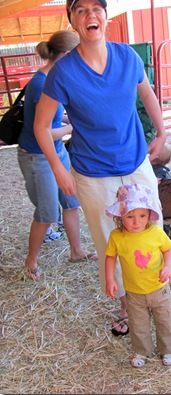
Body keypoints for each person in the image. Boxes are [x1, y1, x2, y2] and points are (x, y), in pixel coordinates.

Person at [33, 0, 171, 332]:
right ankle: (126, 304)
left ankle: (164, 292)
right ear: (74, 22)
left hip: (135, 161)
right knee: (111, 238)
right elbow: (41, 126)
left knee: (153, 229)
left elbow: (147, 95)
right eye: (80, 10)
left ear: (105, 16)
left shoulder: (127, 57)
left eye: (96, 8)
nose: (90, 15)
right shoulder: (63, 72)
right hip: (93, 171)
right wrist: (59, 169)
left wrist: (163, 132)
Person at [17, 30, 97, 281]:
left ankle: (76, 251)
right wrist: (74, 126)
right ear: (64, 55)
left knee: (71, 201)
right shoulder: (42, 84)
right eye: (75, 55)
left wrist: (69, 119)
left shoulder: (53, 77)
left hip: (56, 151)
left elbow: (54, 117)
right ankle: (31, 262)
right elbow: (45, 131)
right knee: (47, 211)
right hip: (37, 155)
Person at [105, 183, 171, 367]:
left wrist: (168, 267)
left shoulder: (155, 232)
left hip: (159, 289)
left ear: (149, 215)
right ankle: (142, 351)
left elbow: (168, 251)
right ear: (121, 215)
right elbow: (110, 257)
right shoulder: (117, 236)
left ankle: (168, 350)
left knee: (165, 321)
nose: (137, 221)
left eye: (142, 216)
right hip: (134, 291)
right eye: (130, 216)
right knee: (138, 325)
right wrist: (109, 279)